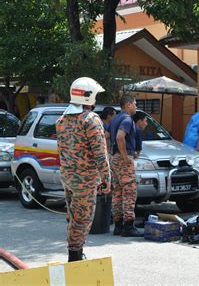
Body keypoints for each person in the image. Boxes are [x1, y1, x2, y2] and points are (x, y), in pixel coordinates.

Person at [56, 77, 111, 262]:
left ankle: (75, 253)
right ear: (88, 96)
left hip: (68, 178)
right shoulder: (90, 120)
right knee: (83, 219)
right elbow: (100, 154)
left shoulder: (61, 120)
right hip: (85, 180)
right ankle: (75, 257)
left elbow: (62, 151)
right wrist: (107, 179)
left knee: (73, 217)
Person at [109, 96, 143, 237]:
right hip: (122, 158)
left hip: (114, 158)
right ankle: (128, 226)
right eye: (135, 104)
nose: (136, 106)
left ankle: (118, 225)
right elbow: (119, 137)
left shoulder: (115, 118)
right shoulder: (127, 119)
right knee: (129, 191)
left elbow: (107, 135)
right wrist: (125, 156)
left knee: (117, 191)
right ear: (128, 105)